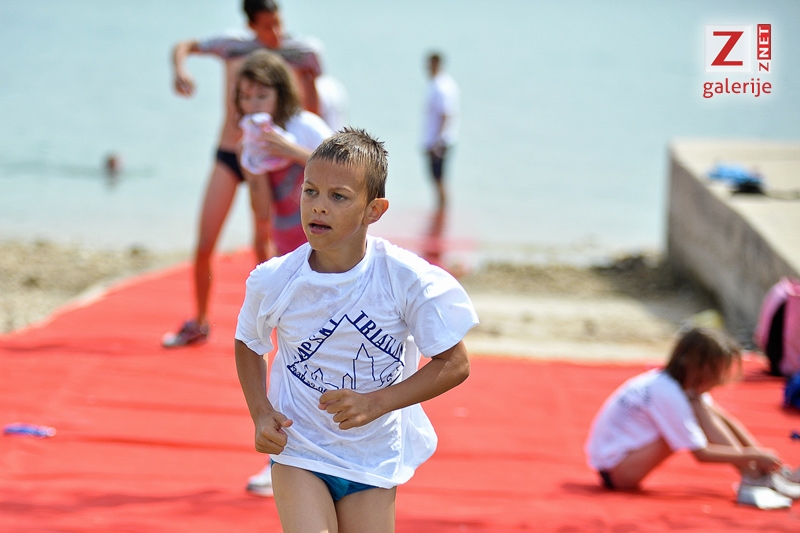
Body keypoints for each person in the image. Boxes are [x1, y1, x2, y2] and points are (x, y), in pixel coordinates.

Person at [235, 128, 478, 530]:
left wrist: (376, 402)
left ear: (373, 210)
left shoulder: (405, 278)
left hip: (373, 459)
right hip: (301, 449)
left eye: (339, 196)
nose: (319, 206)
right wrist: (261, 413)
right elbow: (248, 342)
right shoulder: (275, 279)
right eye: (310, 191)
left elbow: (455, 363)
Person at [163, 0, 326, 348]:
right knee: (205, 242)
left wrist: (298, 145)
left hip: (270, 155)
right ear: (251, 25)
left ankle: (273, 317)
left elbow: (313, 108)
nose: (275, 33)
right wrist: (180, 71)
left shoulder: (298, 50)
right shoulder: (233, 45)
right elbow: (184, 45)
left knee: (262, 236)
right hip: (230, 153)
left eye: (278, 23)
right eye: (266, 26)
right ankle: (200, 321)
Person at [234, 49, 333, 497]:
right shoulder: (249, 140)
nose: (254, 104)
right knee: (289, 357)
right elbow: (262, 213)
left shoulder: (306, 126)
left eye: (262, 95)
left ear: (280, 94)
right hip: (290, 260)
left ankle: (327, 453)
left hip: (328, 259)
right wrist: (254, 166)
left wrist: (289, 150)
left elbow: (346, 175)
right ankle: (283, 455)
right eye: (246, 97)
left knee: (328, 355)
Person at [585, 327, 800, 502]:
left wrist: (760, 455)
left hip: (623, 461)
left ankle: (760, 474)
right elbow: (701, 454)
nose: (719, 380)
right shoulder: (666, 391)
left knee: (701, 408)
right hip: (618, 471)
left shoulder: (682, 389)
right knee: (695, 411)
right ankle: (752, 475)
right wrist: (753, 456)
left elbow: (725, 420)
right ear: (698, 368)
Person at [421, 51, 459, 211]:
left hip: (440, 141)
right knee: (437, 179)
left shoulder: (441, 86)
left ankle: (442, 212)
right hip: (439, 139)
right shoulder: (443, 84)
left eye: (429, 65)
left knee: (439, 179)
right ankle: (440, 211)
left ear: (436, 64)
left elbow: (445, 114)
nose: (427, 69)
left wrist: (437, 142)